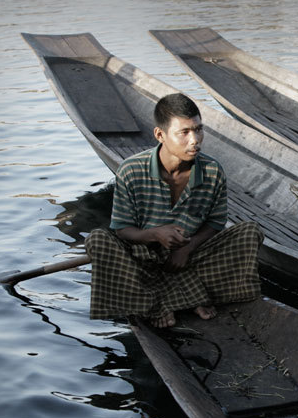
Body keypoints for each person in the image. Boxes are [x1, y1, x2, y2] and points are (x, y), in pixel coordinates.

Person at [85, 93, 263, 327]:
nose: (195, 140)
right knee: (97, 241)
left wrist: (187, 248)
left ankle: (158, 299)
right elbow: (122, 230)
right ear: (160, 135)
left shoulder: (212, 170)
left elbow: (216, 222)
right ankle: (184, 298)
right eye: (185, 132)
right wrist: (155, 234)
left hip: (189, 258)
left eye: (198, 130)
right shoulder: (131, 170)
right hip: (143, 259)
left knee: (250, 233)